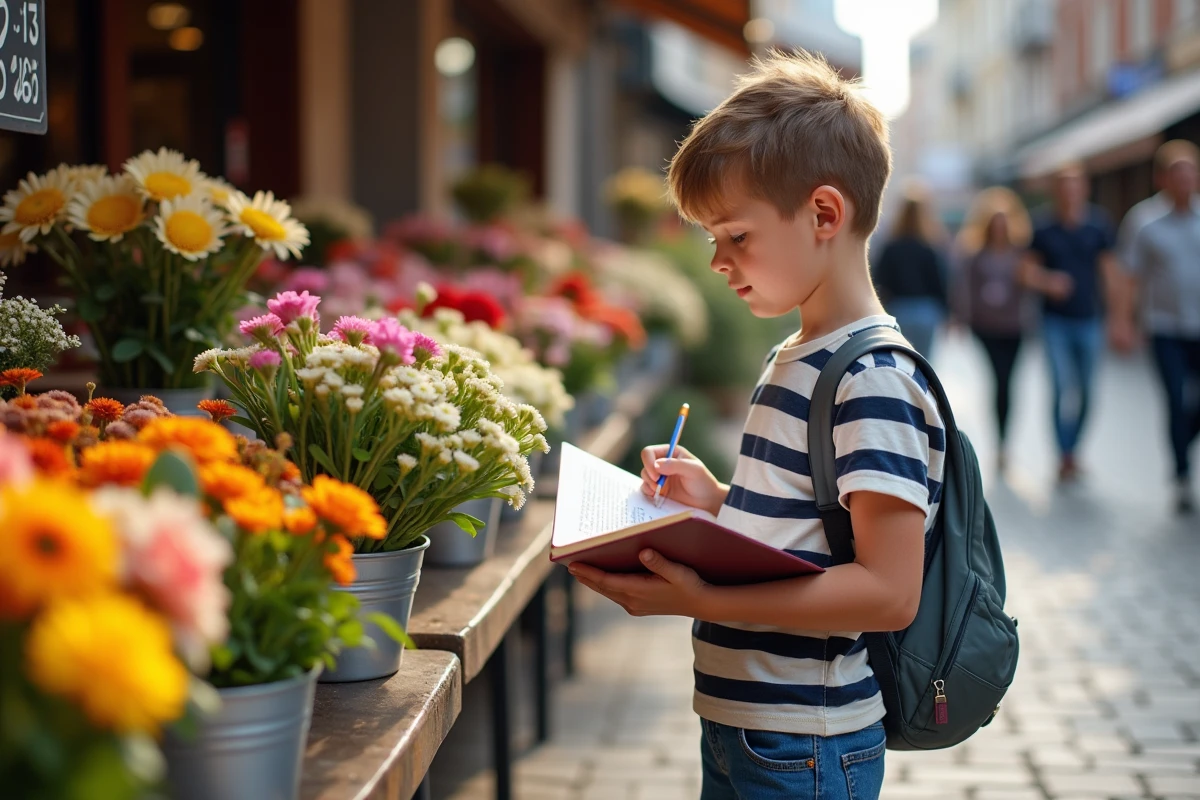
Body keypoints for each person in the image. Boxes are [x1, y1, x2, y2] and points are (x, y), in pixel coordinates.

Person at [566, 51, 944, 800]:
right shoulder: (798, 353)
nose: (717, 260)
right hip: (752, 727)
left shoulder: (873, 380)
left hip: (808, 742)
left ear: (824, 215)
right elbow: (808, 528)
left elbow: (887, 592)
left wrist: (701, 600)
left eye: (735, 235)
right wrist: (715, 503)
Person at [1021, 164, 1123, 482]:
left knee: (1088, 392)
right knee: (1061, 387)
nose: (1069, 192)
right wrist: (1048, 281)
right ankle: (1064, 454)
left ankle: (1074, 448)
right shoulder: (1043, 228)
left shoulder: (1098, 226)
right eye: (1063, 186)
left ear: (1084, 189)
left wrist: (1120, 318)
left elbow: (1110, 275)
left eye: (1074, 185)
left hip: (1089, 321)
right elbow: (1025, 272)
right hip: (1055, 323)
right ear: (1056, 191)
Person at [1123, 140, 1200, 514]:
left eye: (1191, 172)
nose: (1186, 180)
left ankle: (1183, 444)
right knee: (1174, 398)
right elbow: (1131, 277)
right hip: (1165, 327)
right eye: (1178, 173)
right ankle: (1182, 474)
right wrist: (1124, 321)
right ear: (1164, 178)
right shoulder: (1144, 221)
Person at [953, 187, 1033, 471]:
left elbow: (1029, 286)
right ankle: (999, 442)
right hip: (985, 327)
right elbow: (965, 290)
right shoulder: (975, 256)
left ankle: (1003, 443)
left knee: (1007, 383)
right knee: (997, 380)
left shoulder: (1021, 254)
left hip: (1014, 327)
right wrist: (960, 318)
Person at [873, 186, 949, 358]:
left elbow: (880, 280)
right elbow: (940, 281)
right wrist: (947, 312)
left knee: (902, 362)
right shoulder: (930, 246)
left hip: (899, 309)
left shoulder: (891, 247)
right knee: (925, 363)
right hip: (926, 310)